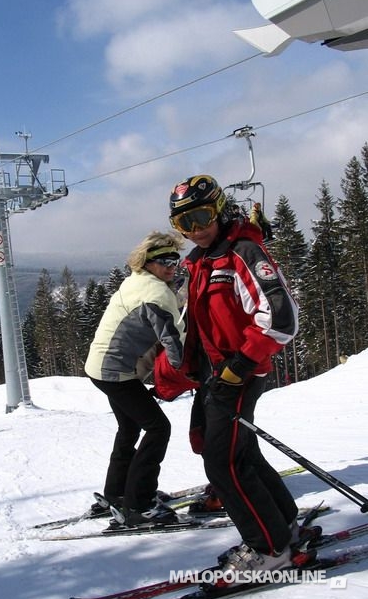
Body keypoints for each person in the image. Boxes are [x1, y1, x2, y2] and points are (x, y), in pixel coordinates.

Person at [154, 174, 300, 575]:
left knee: (222, 464)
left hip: (241, 371)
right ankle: (283, 524)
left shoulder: (242, 253)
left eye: (201, 217)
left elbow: (281, 318)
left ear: (219, 208)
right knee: (240, 452)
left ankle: (269, 550)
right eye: (184, 224)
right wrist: (176, 373)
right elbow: (195, 327)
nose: (195, 230)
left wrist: (239, 364)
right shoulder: (199, 261)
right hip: (216, 375)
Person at [84, 230, 186, 527]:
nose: (171, 266)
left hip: (102, 367)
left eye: (175, 260)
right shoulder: (157, 293)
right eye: (164, 260)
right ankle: (138, 504)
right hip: (116, 373)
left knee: (129, 427)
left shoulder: (137, 281)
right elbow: (175, 345)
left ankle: (116, 494)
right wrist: (191, 373)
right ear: (148, 262)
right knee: (158, 428)